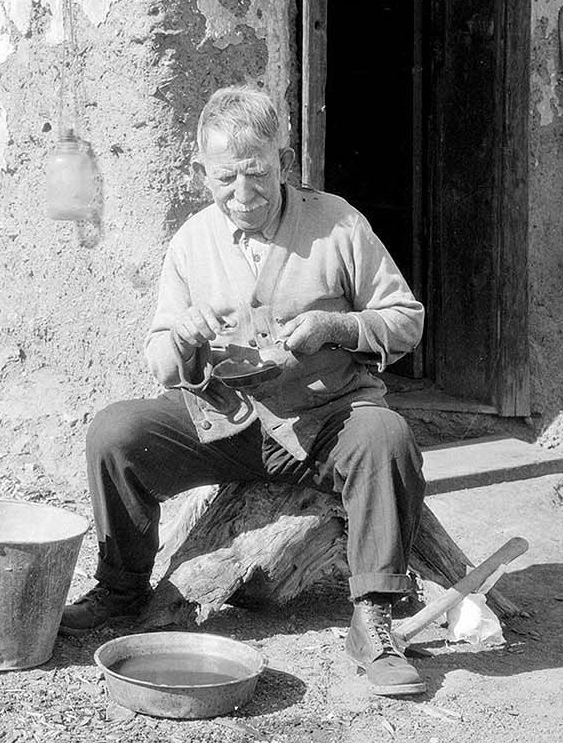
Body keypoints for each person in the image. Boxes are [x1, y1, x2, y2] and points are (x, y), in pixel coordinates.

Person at [61, 86, 428, 697]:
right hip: (226, 425)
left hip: (325, 421)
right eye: (225, 177)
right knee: (114, 432)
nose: (243, 193)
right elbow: (159, 360)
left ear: (282, 161)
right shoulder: (191, 241)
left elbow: (405, 318)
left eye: (257, 173)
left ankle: (374, 618)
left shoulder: (337, 223)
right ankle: (122, 588)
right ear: (200, 171)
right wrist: (179, 337)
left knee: (386, 436)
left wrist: (336, 327)